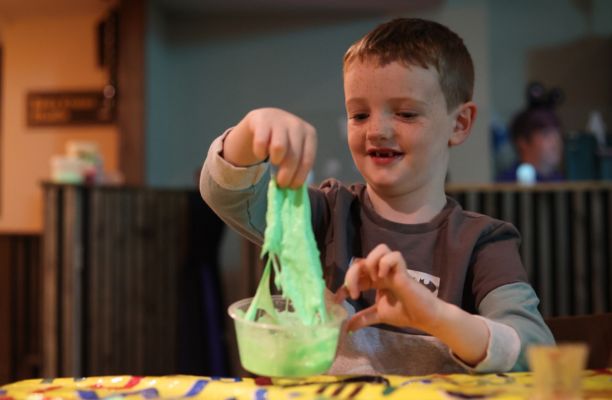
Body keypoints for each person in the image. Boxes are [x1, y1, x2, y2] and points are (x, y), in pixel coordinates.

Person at [200, 18, 554, 375]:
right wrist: (251, 131)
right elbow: (227, 195)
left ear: (460, 123)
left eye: (406, 113)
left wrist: (435, 316)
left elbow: (535, 350)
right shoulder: (326, 215)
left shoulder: (483, 243)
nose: (377, 130)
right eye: (359, 114)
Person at [497, 85, 564, 182]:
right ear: (523, 142)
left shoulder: (561, 181)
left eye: (557, 134)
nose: (555, 142)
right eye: (546, 135)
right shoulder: (507, 183)